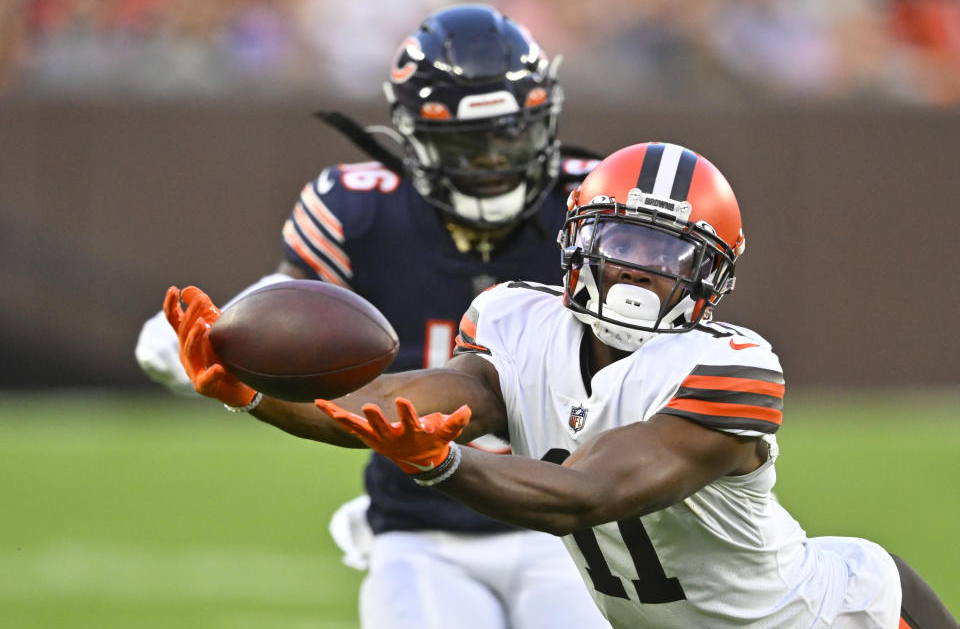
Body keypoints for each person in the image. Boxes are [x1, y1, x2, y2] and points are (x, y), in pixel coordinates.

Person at [164, 142, 957, 628]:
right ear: (577, 241)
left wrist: (440, 464)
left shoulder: (729, 369)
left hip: (834, 619)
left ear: (712, 279)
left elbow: (582, 497)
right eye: (621, 242)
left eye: (672, 256)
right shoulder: (516, 323)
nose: (640, 272)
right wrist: (251, 392)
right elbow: (394, 405)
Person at [137, 3, 611, 629]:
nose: (494, 164)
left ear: (545, 119)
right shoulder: (358, 209)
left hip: (570, 527)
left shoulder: (595, 205)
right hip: (421, 529)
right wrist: (216, 337)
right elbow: (288, 306)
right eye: (468, 145)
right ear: (412, 136)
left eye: (509, 138)